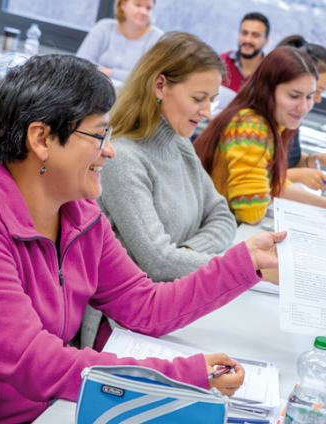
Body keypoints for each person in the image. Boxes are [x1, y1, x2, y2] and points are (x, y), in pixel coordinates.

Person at [0, 54, 284, 422]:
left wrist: (244, 263)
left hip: (53, 408)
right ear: (41, 139)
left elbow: (146, 306)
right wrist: (181, 376)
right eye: (99, 135)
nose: (109, 149)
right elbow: (33, 361)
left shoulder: (81, 215)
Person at [79, 32, 238, 350]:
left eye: (212, 100)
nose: (207, 111)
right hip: (120, 329)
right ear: (160, 85)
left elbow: (222, 217)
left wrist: (187, 254)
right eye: (198, 98)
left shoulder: (180, 143)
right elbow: (158, 261)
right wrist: (237, 265)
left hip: (169, 304)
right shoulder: (123, 158)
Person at [194, 47, 326, 225]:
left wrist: (323, 204)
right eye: (294, 96)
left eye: (310, 96)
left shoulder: (272, 122)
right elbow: (252, 212)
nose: (304, 107)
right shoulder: (251, 128)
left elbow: (270, 182)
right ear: (268, 91)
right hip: (205, 231)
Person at [277, 35, 326, 192]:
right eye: (316, 92)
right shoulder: (261, 123)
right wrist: (297, 176)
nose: (317, 100)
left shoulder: (293, 115)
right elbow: (257, 178)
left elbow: (289, 158)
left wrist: (316, 159)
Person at [76, 0, 163, 82]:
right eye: (138, 5)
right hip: (95, 87)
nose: (144, 12)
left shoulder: (157, 38)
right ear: (123, 5)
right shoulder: (103, 27)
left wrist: (111, 73)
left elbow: (148, 76)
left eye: (148, 8)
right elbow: (81, 63)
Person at [220, 12, 270, 93]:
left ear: (266, 41)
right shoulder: (220, 63)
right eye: (244, 33)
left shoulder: (271, 73)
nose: (248, 40)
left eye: (255, 35)